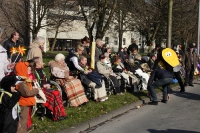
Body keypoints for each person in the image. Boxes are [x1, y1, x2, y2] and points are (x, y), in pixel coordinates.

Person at [15, 61, 39, 133]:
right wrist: (36, 90)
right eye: (26, 68)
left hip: (25, 102)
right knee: (22, 120)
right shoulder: (21, 82)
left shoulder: (24, 79)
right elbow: (27, 93)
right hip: (23, 103)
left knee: (24, 120)